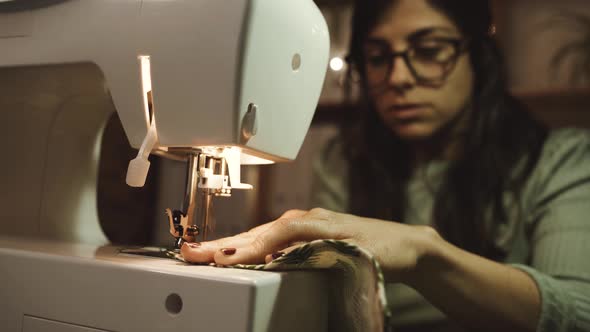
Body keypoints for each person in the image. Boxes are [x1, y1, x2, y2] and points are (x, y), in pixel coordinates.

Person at [181, 1, 590, 331]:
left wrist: (423, 254)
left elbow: (578, 312)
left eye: (429, 51)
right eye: (377, 57)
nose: (398, 77)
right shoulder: (345, 163)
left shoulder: (560, 161)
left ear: (478, 57)